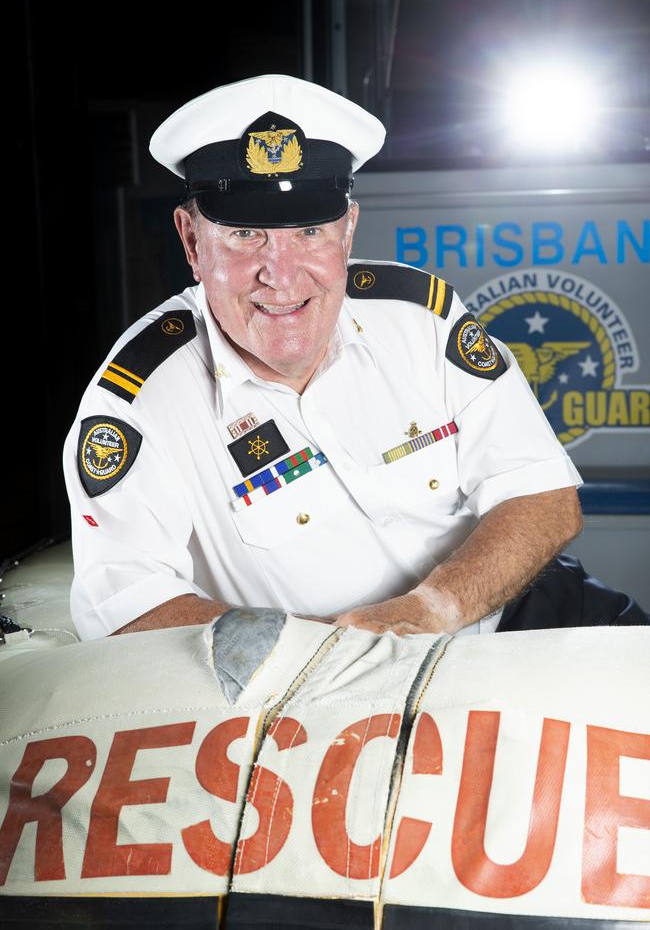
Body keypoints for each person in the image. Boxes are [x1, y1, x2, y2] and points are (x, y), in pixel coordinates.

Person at [63, 73, 589, 642]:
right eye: (245, 235)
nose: (282, 276)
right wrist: (334, 651)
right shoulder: (139, 401)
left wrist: (438, 606)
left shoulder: (419, 317)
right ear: (192, 241)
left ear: (349, 231)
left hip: (515, 611)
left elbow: (545, 497)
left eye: (310, 230)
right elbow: (126, 608)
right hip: (316, 690)